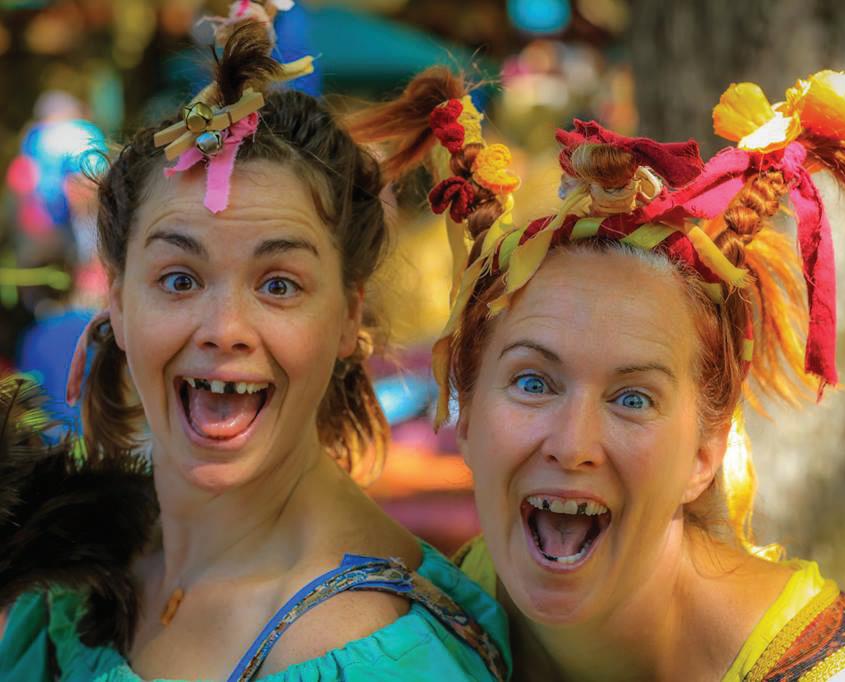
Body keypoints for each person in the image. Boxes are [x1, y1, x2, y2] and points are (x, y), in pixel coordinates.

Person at [348, 68, 845, 680]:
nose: (573, 445)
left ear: (705, 453)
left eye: (633, 398)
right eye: (533, 383)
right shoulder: (413, 630)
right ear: (465, 415)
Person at [0, 8, 509, 681]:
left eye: (279, 285)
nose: (224, 328)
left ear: (347, 317)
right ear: (117, 304)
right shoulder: (68, 576)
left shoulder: (396, 657)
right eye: (179, 279)